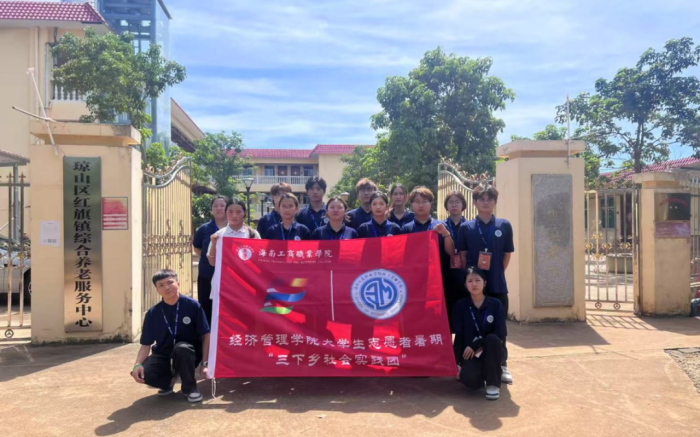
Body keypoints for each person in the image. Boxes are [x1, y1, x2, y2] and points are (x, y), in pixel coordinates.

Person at [456, 184, 514, 384]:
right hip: (474, 286)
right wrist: (472, 279)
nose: (486, 202)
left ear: (495, 202)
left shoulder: (504, 226)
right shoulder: (466, 227)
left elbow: (507, 254)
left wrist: (496, 274)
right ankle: (466, 362)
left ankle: (502, 364)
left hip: (496, 285)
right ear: (475, 202)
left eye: (490, 199)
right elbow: (463, 256)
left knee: (498, 328)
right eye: (482, 199)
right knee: (471, 324)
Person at [131, 269, 210, 403]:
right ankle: (168, 382)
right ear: (157, 289)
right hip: (164, 353)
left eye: (170, 282)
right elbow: (146, 344)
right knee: (146, 373)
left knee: (182, 348)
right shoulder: (153, 313)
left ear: (178, 283)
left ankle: (190, 388)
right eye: (161, 285)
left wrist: (205, 363)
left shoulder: (193, 306)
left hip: (189, 353)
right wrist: (137, 364)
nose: (166, 287)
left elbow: (206, 335)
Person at [452, 266, 506, 400]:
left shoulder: (496, 304)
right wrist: (457, 363)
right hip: (471, 353)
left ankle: (493, 384)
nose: (474, 284)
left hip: (492, 350)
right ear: (465, 284)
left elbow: (500, 333)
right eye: (470, 281)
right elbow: (459, 335)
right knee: (470, 381)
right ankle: (481, 373)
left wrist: (476, 344)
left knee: (492, 339)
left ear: (485, 283)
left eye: (477, 280)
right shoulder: (461, 305)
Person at [192, 195, 227, 325]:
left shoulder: (234, 228)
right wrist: (210, 258)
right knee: (206, 305)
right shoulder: (204, 229)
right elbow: (197, 247)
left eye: (222, 205)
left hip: (228, 275)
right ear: (212, 209)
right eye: (215, 206)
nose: (219, 208)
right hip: (207, 273)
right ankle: (207, 333)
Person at [440, 191, 468, 332]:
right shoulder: (440, 227)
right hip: (445, 274)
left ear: (463, 205)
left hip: (464, 275)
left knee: (464, 312)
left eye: (457, 202)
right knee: (447, 311)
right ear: (446, 206)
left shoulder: (470, 226)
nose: (454, 205)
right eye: (451, 202)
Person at [207, 198, 261, 267]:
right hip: (224, 274)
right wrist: (213, 244)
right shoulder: (218, 235)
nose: (234, 215)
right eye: (230, 212)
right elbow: (212, 263)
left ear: (244, 213)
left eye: (238, 212)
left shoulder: (253, 234)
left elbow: (259, 259)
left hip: (245, 273)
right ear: (226, 212)